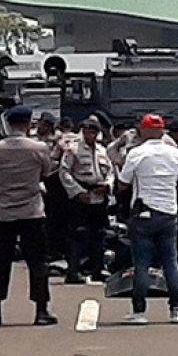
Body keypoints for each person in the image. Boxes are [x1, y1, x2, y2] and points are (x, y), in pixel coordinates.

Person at [0, 106, 58, 327]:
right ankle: (41, 311)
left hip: (3, 212)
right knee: (37, 263)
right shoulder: (39, 148)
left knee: (0, 263)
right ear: (28, 123)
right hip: (32, 211)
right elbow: (47, 172)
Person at [117, 114, 178, 325]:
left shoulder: (137, 153)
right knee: (170, 263)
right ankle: (176, 309)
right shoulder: (174, 153)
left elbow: (124, 181)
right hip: (169, 213)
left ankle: (139, 312)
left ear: (144, 131)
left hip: (144, 214)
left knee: (142, 264)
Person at [59, 117, 113, 285]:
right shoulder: (73, 149)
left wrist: (108, 185)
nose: (90, 134)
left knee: (100, 234)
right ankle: (73, 271)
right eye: (87, 131)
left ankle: (97, 269)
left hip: (99, 195)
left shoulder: (102, 150)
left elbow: (110, 171)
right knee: (78, 234)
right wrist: (77, 192)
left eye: (93, 131)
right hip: (81, 194)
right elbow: (64, 172)